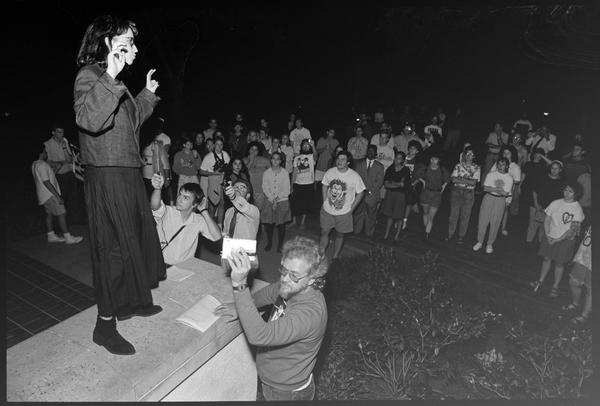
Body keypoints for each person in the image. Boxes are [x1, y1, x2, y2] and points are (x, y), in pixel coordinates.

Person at [74, 15, 164, 355]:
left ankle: (129, 302)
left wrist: (147, 93)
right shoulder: (90, 76)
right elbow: (88, 118)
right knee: (111, 250)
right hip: (107, 175)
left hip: (127, 172)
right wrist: (110, 75)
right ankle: (105, 325)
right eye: (128, 42)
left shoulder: (114, 82)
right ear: (107, 43)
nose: (135, 49)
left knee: (132, 241)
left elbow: (132, 119)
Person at [215, 236, 328, 401]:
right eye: (284, 270)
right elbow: (269, 293)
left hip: (287, 392)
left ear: (312, 279)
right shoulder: (293, 286)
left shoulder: (309, 314)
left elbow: (259, 335)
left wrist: (240, 286)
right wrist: (240, 306)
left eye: (294, 275)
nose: (285, 278)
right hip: (273, 380)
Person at [150, 174, 221, 266]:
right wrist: (157, 189)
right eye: (180, 194)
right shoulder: (168, 211)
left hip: (184, 267)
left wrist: (204, 210)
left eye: (185, 198)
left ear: (194, 204)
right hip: (161, 264)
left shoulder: (198, 220)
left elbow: (217, 237)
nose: (179, 199)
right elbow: (155, 206)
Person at [530, 182, 584, 298]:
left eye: (570, 191)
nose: (567, 193)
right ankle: (540, 280)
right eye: (566, 190)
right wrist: (548, 234)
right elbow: (547, 219)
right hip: (551, 235)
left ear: (576, 194)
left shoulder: (577, 208)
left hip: (566, 239)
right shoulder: (556, 203)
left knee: (559, 263)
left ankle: (555, 286)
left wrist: (558, 239)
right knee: (546, 258)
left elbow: (573, 229)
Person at [319, 150, 366, 258]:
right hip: (327, 210)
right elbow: (324, 185)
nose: (339, 161)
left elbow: (361, 192)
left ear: (348, 162)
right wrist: (325, 201)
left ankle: (335, 257)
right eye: (338, 159)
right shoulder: (330, 172)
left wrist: (352, 209)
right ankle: (320, 255)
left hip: (344, 212)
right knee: (324, 232)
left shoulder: (354, 176)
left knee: (340, 235)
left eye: (343, 159)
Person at [32, 148, 84, 244]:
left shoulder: (35, 164)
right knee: (62, 214)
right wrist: (58, 196)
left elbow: (48, 176)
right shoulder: (42, 165)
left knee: (49, 214)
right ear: (41, 153)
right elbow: (46, 182)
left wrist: (58, 166)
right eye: (45, 152)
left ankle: (51, 235)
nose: (47, 153)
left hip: (43, 195)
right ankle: (68, 237)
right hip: (50, 195)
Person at [43, 123, 85, 224]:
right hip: (59, 176)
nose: (61, 134)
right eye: (59, 132)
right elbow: (48, 162)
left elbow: (70, 159)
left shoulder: (65, 141)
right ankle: (60, 223)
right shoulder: (47, 144)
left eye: (62, 132)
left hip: (70, 174)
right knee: (61, 199)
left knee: (74, 198)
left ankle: (76, 221)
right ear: (53, 133)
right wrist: (62, 162)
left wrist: (64, 148)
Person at [473, 157, 514, 254]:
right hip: (488, 198)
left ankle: (490, 243)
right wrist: (497, 190)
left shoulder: (509, 178)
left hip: (500, 200)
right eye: (499, 164)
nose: (500, 166)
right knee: (483, 220)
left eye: (503, 165)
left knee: (495, 222)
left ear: (506, 166)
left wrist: (493, 188)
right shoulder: (491, 174)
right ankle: (479, 241)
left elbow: (505, 193)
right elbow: (485, 188)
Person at [412, 148, 450, 240]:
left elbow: (448, 179)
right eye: (432, 159)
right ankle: (426, 229)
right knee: (425, 213)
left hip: (436, 195)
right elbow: (416, 174)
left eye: (435, 159)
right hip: (425, 193)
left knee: (431, 216)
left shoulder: (442, 170)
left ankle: (427, 234)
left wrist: (443, 186)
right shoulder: (425, 168)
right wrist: (423, 181)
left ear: (439, 160)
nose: (433, 161)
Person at [446, 145, 480, 244]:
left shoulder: (477, 168)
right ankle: (450, 234)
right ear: (464, 155)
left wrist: (460, 179)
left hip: (468, 193)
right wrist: (468, 180)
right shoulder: (458, 165)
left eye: (471, 154)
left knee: (465, 216)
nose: (469, 156)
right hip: (457, 191)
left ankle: (461, 236)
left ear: (474, 156)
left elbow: (473, 182)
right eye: (468, 154)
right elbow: (453, 179)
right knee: (453, 215)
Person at [528, 160, 566, 243]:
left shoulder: (562, 182)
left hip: (549, 210)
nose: (554, 170)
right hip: (536, 206)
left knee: (544, 228)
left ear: (560, 170)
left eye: (556, 168)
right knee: (532, 226)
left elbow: (560, 199)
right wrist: (536, 204)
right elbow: (534, 191)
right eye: (552, 168)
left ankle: (540, 244)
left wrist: (551, 210)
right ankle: (527, 243)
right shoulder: (542, 178)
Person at [262, 152, 292, 252]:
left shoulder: (285, 172)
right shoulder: (267, 173)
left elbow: (286, 189)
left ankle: (280, 245)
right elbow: (265, 187)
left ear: (280, 161)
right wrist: (272, 199)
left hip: (282, 200)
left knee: (281, 224)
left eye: (277, 159)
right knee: (269, 224)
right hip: (269, 200)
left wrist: (276, 200)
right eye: (273, 158)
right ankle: (269, 242)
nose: (275, 161)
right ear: (271, 160)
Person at [489, 146, 521, 236]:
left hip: (507, 192)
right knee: (492, 208)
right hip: (495, 190)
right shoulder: (497, 163)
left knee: (504, 210)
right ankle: (491, 225)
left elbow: (517, 181)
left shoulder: (515, 167)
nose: (505, 155)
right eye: (504, 153)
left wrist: (506, 180)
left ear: (512, 155)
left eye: (508, 153)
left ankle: (503, 228)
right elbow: (491, 174)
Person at [353, 144, 384, 238]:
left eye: (372, 151)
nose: (370, 153)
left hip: (372, 194)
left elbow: (379, 182)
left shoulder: (379, 166)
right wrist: (362, 190)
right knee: (358, 212)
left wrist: (369, 191)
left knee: (371, 215)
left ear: (376, 153)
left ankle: (369, 233)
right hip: (360, 193)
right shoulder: (359, 164)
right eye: (369, 151)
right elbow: (356, 178)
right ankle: (357, 231)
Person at [563, 225, 591, 324]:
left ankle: (584, 315)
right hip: (584, 258)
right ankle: (575, 304)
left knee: (591, 290)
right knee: (573, 281)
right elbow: (586, 240)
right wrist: (577, 256)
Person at [199, 136, 230, 225]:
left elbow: (229, 168)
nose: (219, 147)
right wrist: (213, 173)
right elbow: (201, 171)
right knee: (212, 204)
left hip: (223, 180)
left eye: (221, 145)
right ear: (214, 145)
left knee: (222, 203)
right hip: (212, 180)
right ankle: (210, 225)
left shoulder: (225, 155)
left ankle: (219, 225)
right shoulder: (208, 157)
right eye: (217, 144)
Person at [382, 150, 411, 240]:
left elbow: (404, 185)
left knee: (399, 217)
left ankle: (396, 237)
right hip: (390, 194)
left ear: (402, 160)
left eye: (399, 158)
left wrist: (392, 183)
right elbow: (386, 184)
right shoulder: (390, 169)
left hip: (400, 195)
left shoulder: (405, 170)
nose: (396, 160)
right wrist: (397, 184)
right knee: (389, 216)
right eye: (396, 158)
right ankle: (386, 235)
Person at [521, 148, 549, 244]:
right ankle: (526, 233)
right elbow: (523, 175)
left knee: (535, 211)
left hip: (537, 190)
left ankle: (536, 237)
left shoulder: (543, 166)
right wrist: (519, 186)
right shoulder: (528, 164)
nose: (538, 155)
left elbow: (553, 164)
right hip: (526, 189)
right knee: (527, 211)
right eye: (537, 153)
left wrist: (543, 157)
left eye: (540, 154)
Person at [244, 141, 271, 230]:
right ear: (248, 150)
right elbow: (244, 173)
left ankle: (261, 229)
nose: (253, 151)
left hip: (260, 190)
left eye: (256, 150)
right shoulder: (244, 160)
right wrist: (251, 160)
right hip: (248, 190)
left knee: (259, 211)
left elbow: (271, 173)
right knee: (249, 211)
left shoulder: (264, 160)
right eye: (252, 149)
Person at [291, 139, 316, 228]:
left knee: (306, 204)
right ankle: (294, 221)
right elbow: (294, 172)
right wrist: (291, 185)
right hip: (297, 183)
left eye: (307, 145)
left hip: (309, 184)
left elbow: (316, 156)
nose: (306, 146)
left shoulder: (311, 156)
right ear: (301, 146)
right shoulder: (297, 157)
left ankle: (302, 223)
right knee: (295, 203)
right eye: (304, 144)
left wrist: (313, 146)